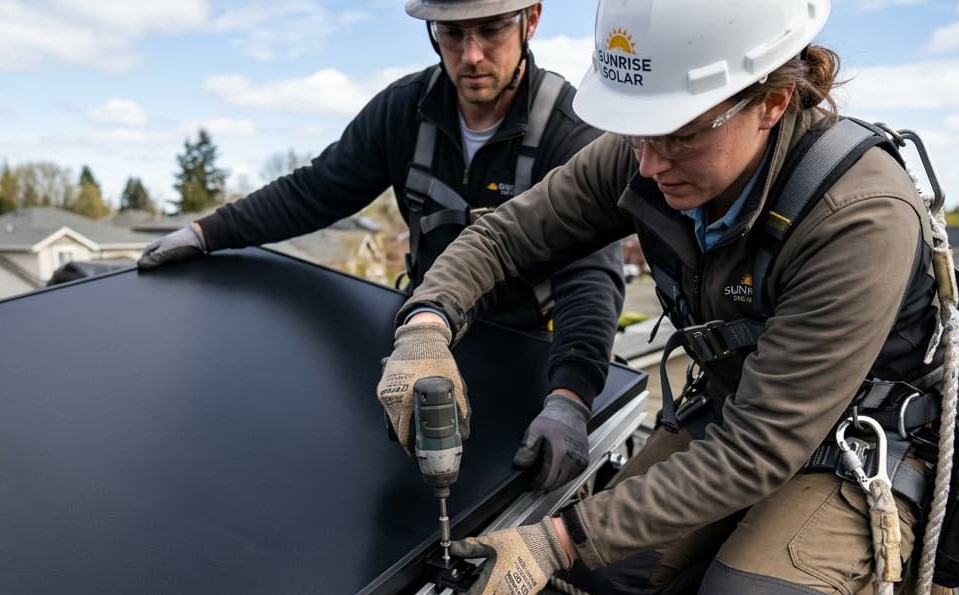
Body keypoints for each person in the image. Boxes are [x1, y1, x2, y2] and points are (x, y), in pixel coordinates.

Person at [376, 0, 959, 595]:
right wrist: (425, 327)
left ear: (772, 100)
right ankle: (760, 533)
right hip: (741, 402)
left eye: (679, 135)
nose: (650, 165)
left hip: (861, 438)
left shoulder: (859, 218)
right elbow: (506, 236)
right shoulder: (651, 150)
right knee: (613, 571)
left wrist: (554, 542)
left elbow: (757, 448)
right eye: (637, 133)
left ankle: (903, 573)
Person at [139, 0, 625, 493]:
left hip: (526, 350)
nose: (471, 55)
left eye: (491, 30)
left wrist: (570, 396)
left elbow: (589, 274)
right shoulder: (406, 111)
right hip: (423, 333)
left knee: (495, 495)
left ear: (531, 20)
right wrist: (206, 232)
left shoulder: (569, 130)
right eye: (452, 34)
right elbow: (315, 190)